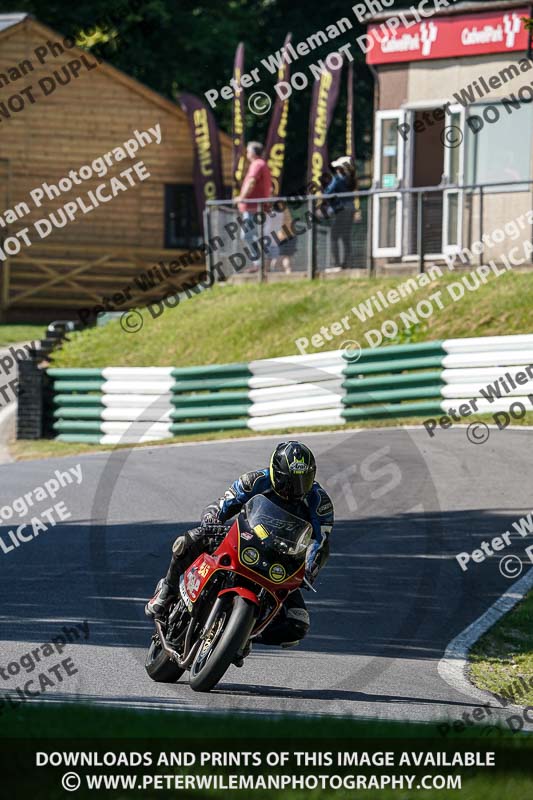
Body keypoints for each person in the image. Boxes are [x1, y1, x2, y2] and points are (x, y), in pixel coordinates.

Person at [146, 441, 334, 658]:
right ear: (275, 472)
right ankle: (167, 590)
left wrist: (309, 568)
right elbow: (221, 504)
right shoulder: (255, 480)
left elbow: (321, 542)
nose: (295, 489)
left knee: (298, 622)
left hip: (281, 559)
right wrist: (212, 520)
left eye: (303, 481)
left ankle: (245, 635)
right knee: (189, 540)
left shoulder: (320, 502)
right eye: (288, 481)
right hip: (244, 538)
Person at [235, 141, 273, 273]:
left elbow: (251, 182)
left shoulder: (257, 164)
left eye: (248, 151)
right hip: (257, 208)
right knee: (256, 235)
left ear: (253, 153)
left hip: (253, 208)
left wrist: (241, 197)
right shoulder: (262, 164)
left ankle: (260, 264)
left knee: (247, 235)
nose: (246, 153)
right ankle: (262, 264)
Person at [324, 156, 357, 270]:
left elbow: (328, 192)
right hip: (350, 209)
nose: (336, 170)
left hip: (341, 210)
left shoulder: (338, 179)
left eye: (338, 167)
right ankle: (348, 263)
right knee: (345, 237)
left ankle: (336, 264)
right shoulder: (351, 179)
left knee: (333, 237)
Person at [269, 205, 296, 273]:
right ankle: (286, 273)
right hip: (288, 236)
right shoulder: (282, 208)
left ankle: (288, 273)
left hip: (284, 237)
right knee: (284, 259)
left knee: (283, 259)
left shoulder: (278, 208)